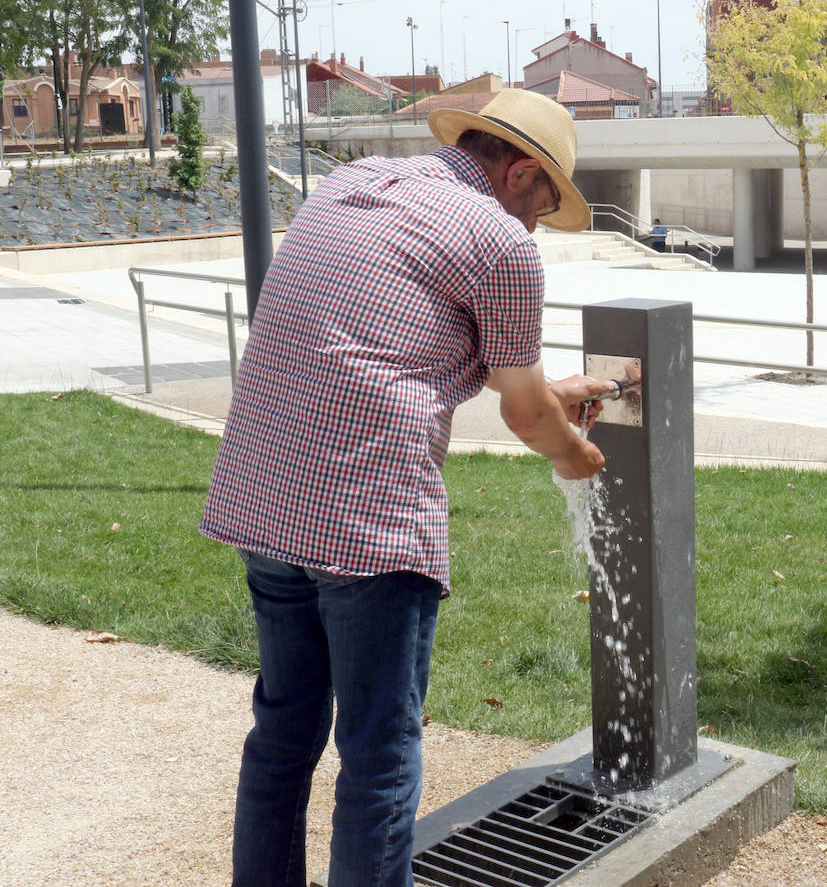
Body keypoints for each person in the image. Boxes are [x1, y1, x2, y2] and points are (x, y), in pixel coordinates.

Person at [199, 89, 616, 886]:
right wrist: (573, 454)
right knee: (379, 757)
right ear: (520, 171)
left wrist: (545, 400)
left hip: (265, 494)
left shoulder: (350, 185)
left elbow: (385, 341)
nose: (536, 223)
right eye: (542, 202)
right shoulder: (500, 241)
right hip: (367, 518)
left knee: (283, 732)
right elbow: (527, 417)